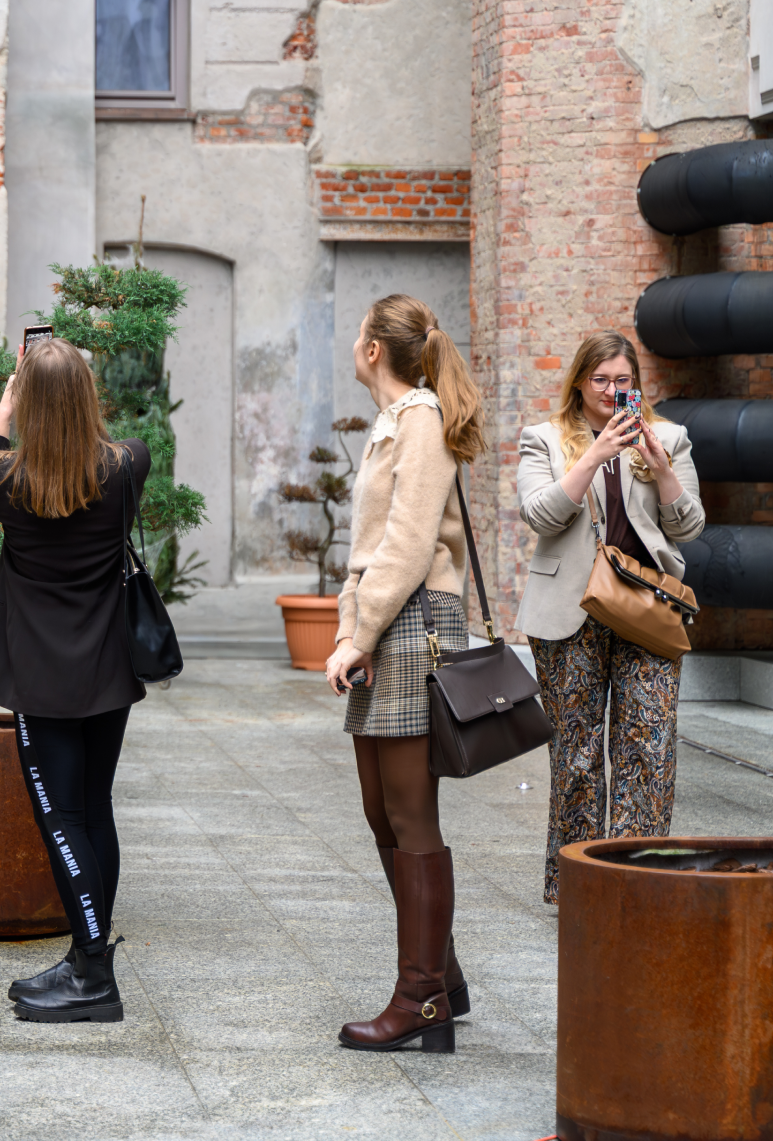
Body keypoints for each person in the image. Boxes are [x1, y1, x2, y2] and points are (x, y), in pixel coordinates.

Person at [322, 294, 486, 1055]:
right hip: (388, 622)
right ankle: (443, 977)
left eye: (360, 332)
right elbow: (370, 546)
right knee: (381, 809)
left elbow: (411, 543)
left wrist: (359, 635)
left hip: (412, 621)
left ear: (373, 350)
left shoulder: (419, 419)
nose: (355, 343)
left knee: (410, 813)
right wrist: (348, 631)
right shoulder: (394, 421)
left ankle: (421, 997)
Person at [0, 337, 147, 1024]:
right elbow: (108, 448)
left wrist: (3, 412)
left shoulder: (2, 482)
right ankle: (83, 958)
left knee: (61, 815)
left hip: (39, 675)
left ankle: (94, 973)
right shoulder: (129, 465)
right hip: (107, 667)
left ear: (28, 402)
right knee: (95, 807)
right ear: (87, 397)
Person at [517, 330, 703, 904]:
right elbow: (540, 516)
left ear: (636, 384)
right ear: (579, 382)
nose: (610, 390)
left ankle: (637, 882)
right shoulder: (544, 439)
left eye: (622, 380)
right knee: (575, 755)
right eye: (600, 379)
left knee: (649, 746)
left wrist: (661, 468)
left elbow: (689, 526)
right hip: (569, 609)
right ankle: (577, 887)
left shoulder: (667, 437)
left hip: (646, 609)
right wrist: (595, 454)